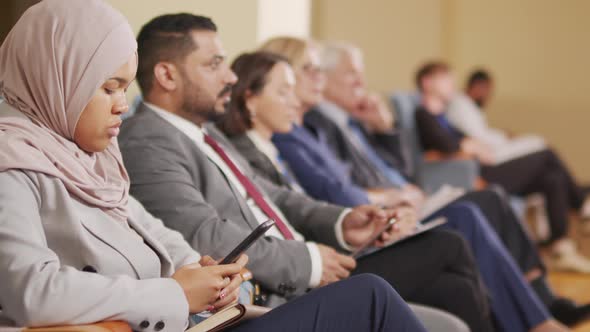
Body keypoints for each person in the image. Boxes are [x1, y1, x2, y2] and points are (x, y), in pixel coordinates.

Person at [0, 1, 431, 331]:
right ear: (55, 79)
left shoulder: (88, 155)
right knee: (372, 298)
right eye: (108, 87)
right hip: (171, 321)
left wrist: (208, 273)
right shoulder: (13, 159)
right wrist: (174, 292)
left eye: (124, 87)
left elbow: (154, 230)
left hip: (205, 316)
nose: (121, 105)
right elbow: (31, 289)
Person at [119, 13, 496, 332]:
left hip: (302, 265)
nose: (231, 77)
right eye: (214, 64)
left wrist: (344, 221)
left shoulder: (205, 132)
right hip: (270, 292)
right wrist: (309, 262)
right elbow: (206, 233)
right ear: (167, 75)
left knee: (453, 295)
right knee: (434, 253)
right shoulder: (146, 138)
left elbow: (275, 195)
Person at [214, 44, 569, 331]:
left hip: (363, 224)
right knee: (459, 230)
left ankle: (540, 307)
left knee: (459, 275)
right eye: (289, 87)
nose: (308, 89)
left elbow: (380, 174)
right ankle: (538, 318)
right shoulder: (288, 138)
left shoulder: (312, 129)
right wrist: (378, 207)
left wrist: (384, 131)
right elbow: (326, 195)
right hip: (328, 253)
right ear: (251, 98)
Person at [310, 41, 590, 326]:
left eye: (361, 73)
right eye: (350, 73)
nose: (361, 82)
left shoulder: (355, 121)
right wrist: (394, 196)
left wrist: (385, 130)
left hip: (411, 197)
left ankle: (545, 302)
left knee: (502, 193)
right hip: (390, 213)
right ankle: (541, 312)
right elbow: (339, 189)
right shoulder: (321, 124)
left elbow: (403, 168)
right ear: (323, 76)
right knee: (478, 206)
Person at [414, 61, 590, 273]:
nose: (452, 83)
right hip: (474, 174)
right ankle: (582, 203)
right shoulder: (423, 113)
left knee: (553, 178)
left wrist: (471, 144)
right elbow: (444, 145)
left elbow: (462, 139)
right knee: (546, 154)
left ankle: (559, 244)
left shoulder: (443, 116)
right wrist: (467, 146)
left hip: (480, 165)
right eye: (446, 78)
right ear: (427, 82)